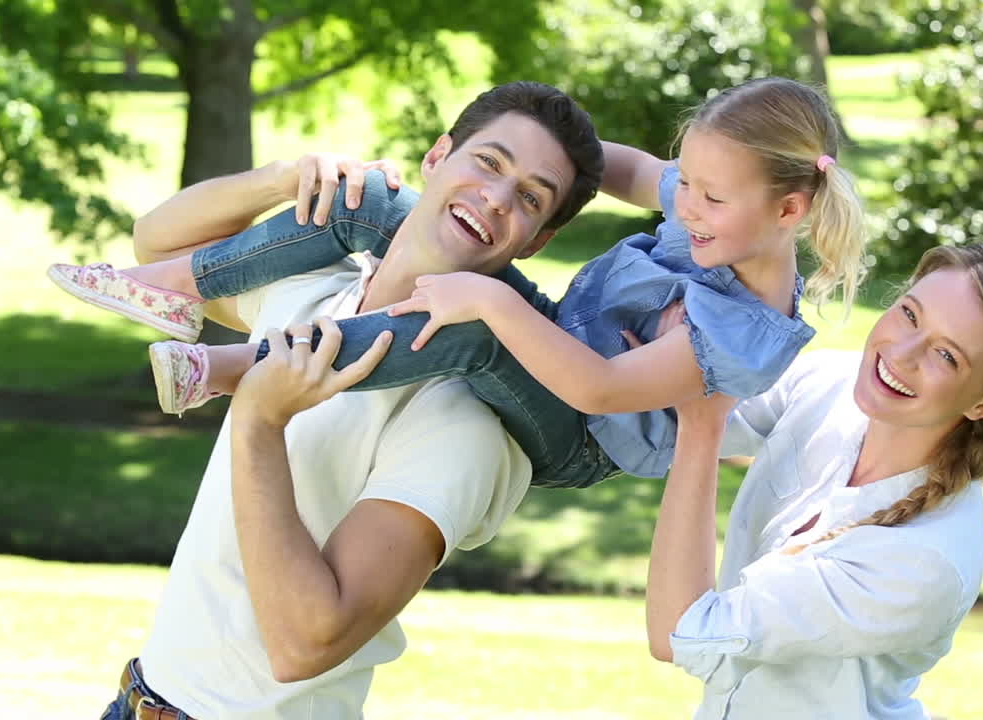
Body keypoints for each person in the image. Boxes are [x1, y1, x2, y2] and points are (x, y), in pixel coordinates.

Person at [49, 76, 870, 490]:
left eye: (706, 195)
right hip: (557, 334)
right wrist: (531, 138)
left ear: (790, 208)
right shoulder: (713, 201)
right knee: (372, 203)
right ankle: (159, 283)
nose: (681, 202)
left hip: (580, 431)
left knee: (477, 322)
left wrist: (487, 296)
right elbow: (618, 166)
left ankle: (235, 369)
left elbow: (601, 385)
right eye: (684, 179)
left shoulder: (746, 328)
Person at [95, 81, 605, 720]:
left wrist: (258, 418)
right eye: (488, 161)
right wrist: (282, 181)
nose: (496, 198)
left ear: (536, 242)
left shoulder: (464, 421)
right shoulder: (317, 289)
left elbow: (306, 644)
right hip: (136, 700)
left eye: (530, 197)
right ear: (436, 157)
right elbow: (160, 251)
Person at [645, 242, 983, 719]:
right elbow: (664, 420)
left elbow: (682, 632)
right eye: (910, 314)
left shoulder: (924, 562)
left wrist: (701, 426)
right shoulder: (833, 382)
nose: (902, 355)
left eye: (946, 355)